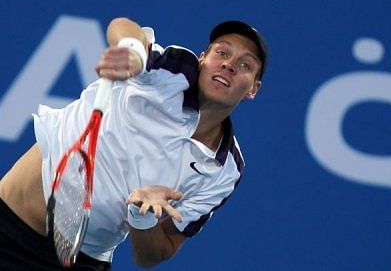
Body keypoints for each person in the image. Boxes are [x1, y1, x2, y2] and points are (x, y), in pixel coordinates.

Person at [0, 17, 268, 270]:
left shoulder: (225, 170)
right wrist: (134, 53)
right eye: (221, 53)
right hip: (7, 223)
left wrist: (143, 216)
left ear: (253, 88)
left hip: (81, 261)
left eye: (245, 65)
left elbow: (155, 254)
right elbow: (123, 26)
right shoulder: (173, 74)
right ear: (202, 60)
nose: (229, 64)